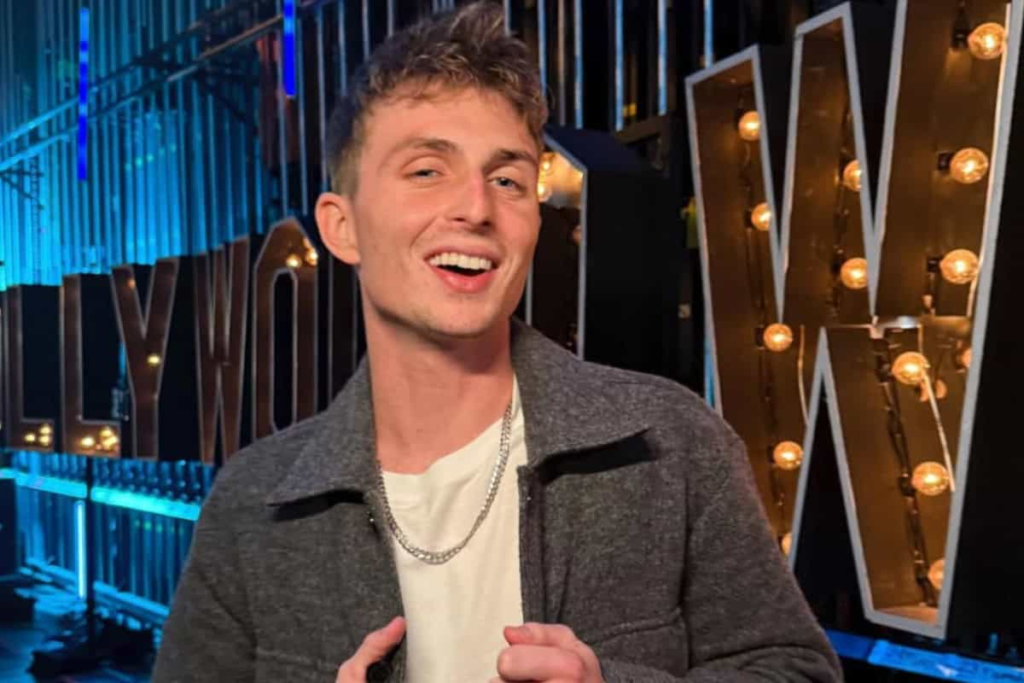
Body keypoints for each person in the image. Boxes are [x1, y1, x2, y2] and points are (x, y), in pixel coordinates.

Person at [152, 2, 842, 681]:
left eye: (508, 179)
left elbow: (796, 669)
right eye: (427, 170)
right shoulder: (253, 501)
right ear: (342, 226)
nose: (477, 208)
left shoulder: (671, 443)